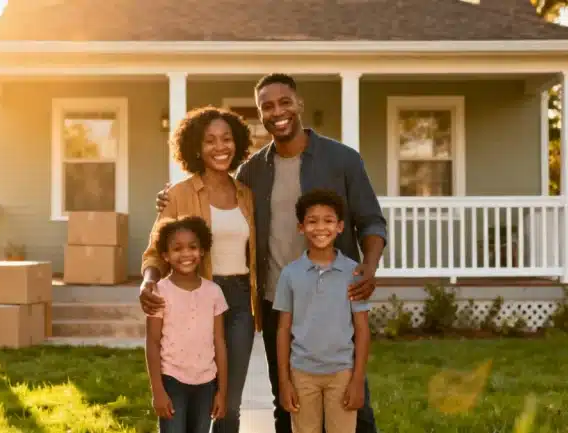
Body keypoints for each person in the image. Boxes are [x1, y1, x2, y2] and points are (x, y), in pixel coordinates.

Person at [150, 73, 386, 433]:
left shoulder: (342, 160)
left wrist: (369, 267)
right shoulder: (253, 172)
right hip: (278, 300)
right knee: (285, 402)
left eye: (284, 102)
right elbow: (194, 208)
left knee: (354, 402)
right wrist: (168, 198)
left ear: (299, 103)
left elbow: (371, 221)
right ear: (260, 114)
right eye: (267, 107)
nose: (278, 112)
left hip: (335, 299)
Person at [141, 106, 261, 433]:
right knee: (190, 390)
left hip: (238, 304)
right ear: (196, 146)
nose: (219, 147)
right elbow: (155, 250)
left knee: (228, 403)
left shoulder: (246, 195)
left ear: (236, 143)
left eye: (226, 139)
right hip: (196, 298)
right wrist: (148, 282)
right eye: (210, 140)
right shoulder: (179, 194)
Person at [274, 189, 371, 433]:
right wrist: (284, 382)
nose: (320, 228)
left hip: (341, 373)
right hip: (302, 373)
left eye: (328, 221)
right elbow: (283, 330)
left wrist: (357, 380)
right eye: (312, 221)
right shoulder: (290, 274)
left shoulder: (353, 273)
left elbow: (362, 329)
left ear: (340, 226)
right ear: (301, 227)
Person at [145, 216, 228, 433]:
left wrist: (222, 391)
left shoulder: (214, 292)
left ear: (202, 251)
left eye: (192, 247)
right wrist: (158, 391)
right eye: (177, 248)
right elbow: (152, 343)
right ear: (165, 255)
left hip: (206, 383)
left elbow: (219, 342)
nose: (185, 254)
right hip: (172, 380)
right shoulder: (160, 292)